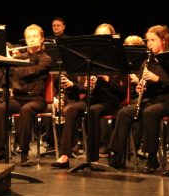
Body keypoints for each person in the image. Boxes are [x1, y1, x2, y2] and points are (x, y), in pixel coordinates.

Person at [108, 25, 169, 173]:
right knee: (124, 112)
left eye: (153, 40)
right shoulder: (147, 62)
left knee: (150, 112)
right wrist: (142, 88)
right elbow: (150, 90)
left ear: (163, 40)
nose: (149, 44)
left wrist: (157, 79)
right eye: (147, 40)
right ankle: (117, 155)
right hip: (154, 100)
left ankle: (151, 157)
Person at [51, 23, 126, 168]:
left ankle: (93, 159)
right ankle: (65, 155)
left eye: (104, 35)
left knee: (93, 110)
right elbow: (85, 90)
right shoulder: (91, 58)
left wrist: (106, 80)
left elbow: (122, 93)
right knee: (71, 109)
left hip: (109, 101)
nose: (101, 38)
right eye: (98, 36)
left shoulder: (118, 58)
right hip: (92, 98)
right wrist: (83, 86)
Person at [0, 24, 51, 166]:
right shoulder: (20, 57)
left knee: (26, 110)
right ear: (26, 40)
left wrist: (13, 64)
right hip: (18, 98)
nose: (32, 39)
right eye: (29, 37)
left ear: (42, 39)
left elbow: (30, 72)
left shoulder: (46, 59)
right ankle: (0, 150)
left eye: (35, 36)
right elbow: (6, 77)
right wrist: (2, 65)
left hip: (36, 99)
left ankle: (24, 152)